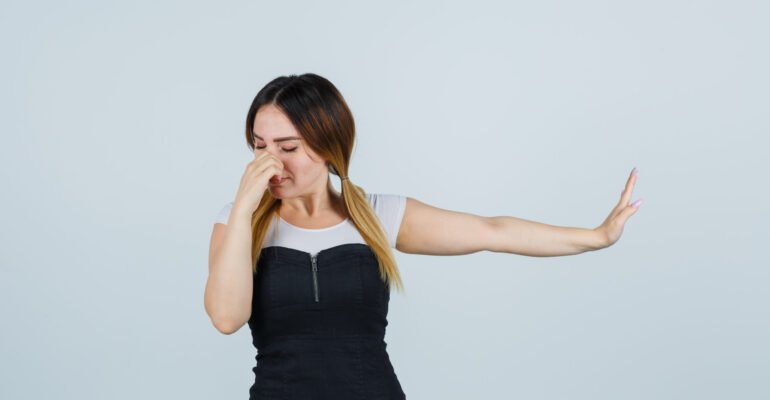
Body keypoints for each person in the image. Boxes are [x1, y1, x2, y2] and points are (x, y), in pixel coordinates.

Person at [205, 73, 642, 399]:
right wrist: (245, 206)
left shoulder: (376, 215)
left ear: (326, 146)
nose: (270, 163)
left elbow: (493, 231)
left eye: (288, 147)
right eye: (259, 146)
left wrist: (596, 236)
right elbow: (226, 318)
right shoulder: (239, 222)